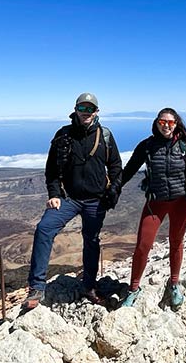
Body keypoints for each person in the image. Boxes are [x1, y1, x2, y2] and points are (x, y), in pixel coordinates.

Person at [24, 92, 122, 308]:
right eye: (82, 108)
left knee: (92, 240)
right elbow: (51, 170)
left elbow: (115, 166)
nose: (85, 112)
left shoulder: (104, 135)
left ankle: (89, 285)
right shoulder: (63, 135)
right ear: (75, 109)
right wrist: (54, 194)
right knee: (44, 229)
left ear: (96, 112)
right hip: (68, 198)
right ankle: (37, 287)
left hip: (96, 200)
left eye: (90, 109)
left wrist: (113, 190)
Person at [118, 108, 186, 309]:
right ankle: (134, 288)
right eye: (162, 122)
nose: (166, 125)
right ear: (156, 123)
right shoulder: (147, 146)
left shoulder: (185, 145)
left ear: (176, 124)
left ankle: (174, 284)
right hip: (155, 202)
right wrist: (113, 187)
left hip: (181, 202)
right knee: (142, 246)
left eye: (170, 122)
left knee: (176, 243)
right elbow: (129, 170)